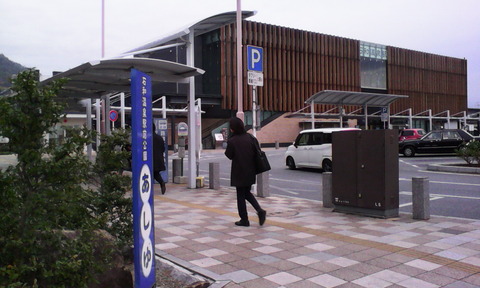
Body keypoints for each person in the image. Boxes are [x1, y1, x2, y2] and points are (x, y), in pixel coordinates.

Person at [225, 117, 266, 227]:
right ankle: (260, 210)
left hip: (239, 171)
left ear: (233, 128)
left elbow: (229, 155)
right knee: (246, 192)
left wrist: (230, 139)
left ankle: (244, 219)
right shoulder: (250, 137)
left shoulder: (232, 141)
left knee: (240, 195)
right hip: (250, 170)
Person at [153, 123, 166, 195]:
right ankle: (161, 182)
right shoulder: (160, 138)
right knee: (155, 173)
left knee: (150, 173)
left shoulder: (146, 138)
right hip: (159, 159)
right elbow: (163, 149)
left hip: (149, 159)